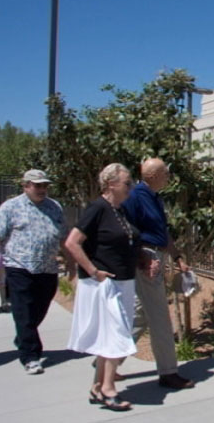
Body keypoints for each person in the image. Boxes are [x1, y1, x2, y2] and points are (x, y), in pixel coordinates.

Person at [65, 163, 140, 411]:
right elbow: (72, 243)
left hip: (124, 281)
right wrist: (94, 271)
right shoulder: (97, 208)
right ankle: (109, 389)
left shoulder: (120, 211)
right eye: (127, 183)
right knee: (115, 335)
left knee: (112, 334)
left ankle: (97, 387)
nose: (131, 187)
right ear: (110, 184)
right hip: (105, 284)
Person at [0, 169, 68, 375]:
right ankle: (30, 356)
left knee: (39, 310)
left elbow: (63, 237)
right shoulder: (10, 207)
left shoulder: (54, 207)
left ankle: (23, 336)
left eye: (45, 185)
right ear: (26, 186)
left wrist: (71, 263)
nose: (42, 189)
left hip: (47, 269)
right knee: (24, 312)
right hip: (19, 267)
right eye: (37, 185)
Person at [121, 158, 195, 389]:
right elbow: (127, 231)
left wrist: (177, 257)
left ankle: (108, 359)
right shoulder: (135, 197)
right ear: (152, 175)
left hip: (156, 255)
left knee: (141, 315)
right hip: (147, 260)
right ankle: (168, 372)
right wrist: (142, 257)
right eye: (165, 173)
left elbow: (162, 230)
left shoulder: (154, 197)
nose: (168, 177)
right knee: (160, 316)